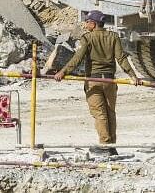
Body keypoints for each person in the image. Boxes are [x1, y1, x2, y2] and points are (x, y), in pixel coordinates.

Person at [54, 10, 140, 155]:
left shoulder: (87, 38)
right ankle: (112, 146)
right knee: (110, 112)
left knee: (100, 113)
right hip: (109, 80)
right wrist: (132, 75)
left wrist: (63, 72)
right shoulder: (113, 37)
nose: (85, 24)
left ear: (93, 24)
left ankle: (105, 146)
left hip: (93, 80)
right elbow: (121, 58)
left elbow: (77, 58)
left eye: (87, 22)